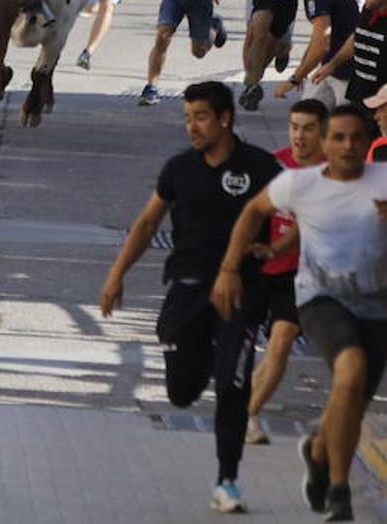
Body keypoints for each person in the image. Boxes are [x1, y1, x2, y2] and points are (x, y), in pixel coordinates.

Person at [99, 80, 283, 514]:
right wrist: (116, 274)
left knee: (232, 384)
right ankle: (194, 361)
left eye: (200, 117)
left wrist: (272, 250)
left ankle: (227, 480)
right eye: (187, 118)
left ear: (225, 119)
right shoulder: (180, 169)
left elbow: (296, 215)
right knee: (182, 392)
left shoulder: (260, 168)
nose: (192, 127)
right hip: (187, 287)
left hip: (241, 293)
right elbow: (146, 224)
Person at [212, 105, 387, 522]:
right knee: (349, 370)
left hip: (376, 304)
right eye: (338, 137)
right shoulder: (296, 181)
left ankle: (318, 450)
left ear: (366, 145)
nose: (346, 145)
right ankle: (339, 490)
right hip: (320, 299)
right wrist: (231, 266)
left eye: (354, 138)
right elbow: (253, 210)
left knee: (353, 400)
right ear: (328, 143)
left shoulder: (382, 181)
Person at [243, 99, 327, 446]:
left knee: (281, 343)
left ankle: (249, 415)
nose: (299, 136)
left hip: (299, 277)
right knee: (239, 349)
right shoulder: (273, 166)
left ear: (323, 133)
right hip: (259, 269)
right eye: (294, 127)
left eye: (308, 128)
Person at [270, 0, 358, 110]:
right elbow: (318, 37)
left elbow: (321, 43)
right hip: (332, 67)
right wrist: (302, 70)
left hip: (345, 72)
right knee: (308, 115)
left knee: (345, 127)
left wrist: (294, 79)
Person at [318, 0, 387, 114]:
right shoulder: (370, 9)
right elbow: (358, 36)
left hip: (381, 109)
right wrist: (333, 64)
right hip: (359, 99)